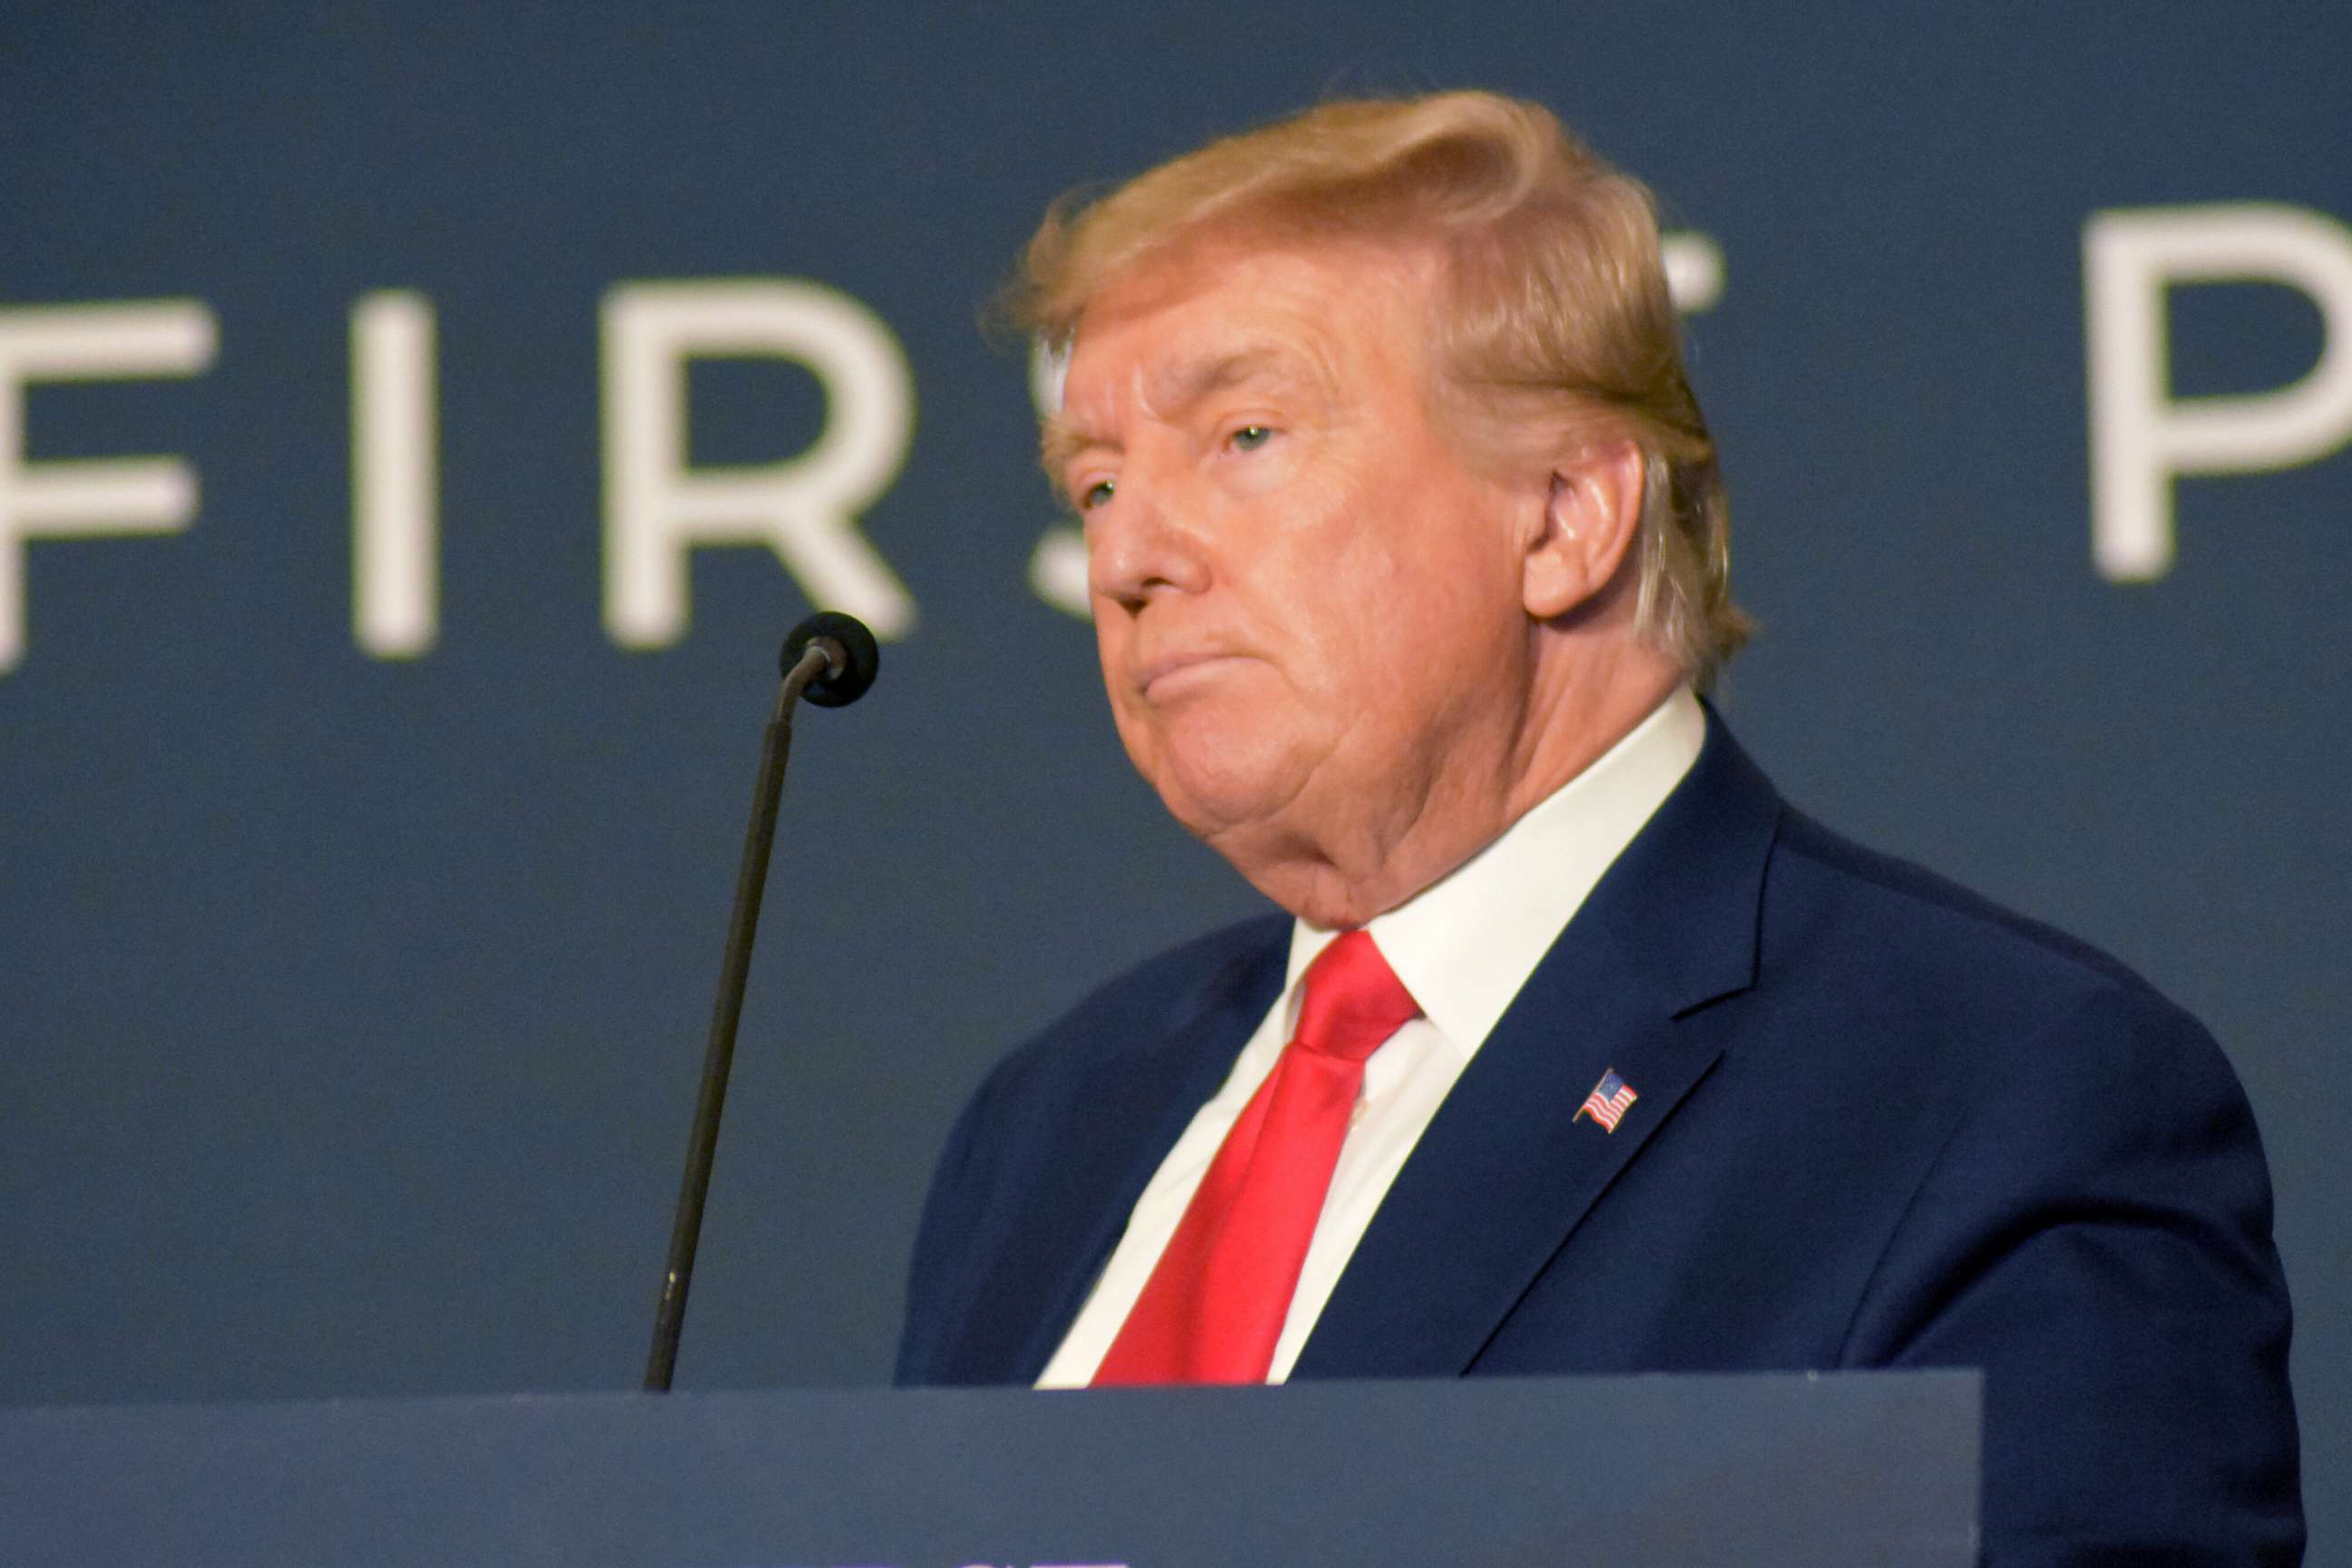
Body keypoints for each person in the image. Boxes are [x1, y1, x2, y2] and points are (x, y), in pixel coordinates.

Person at [894, 92, 2301, 1560]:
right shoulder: (1055, 1123)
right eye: (1096, 483)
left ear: (1566, 513)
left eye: (1244, 434)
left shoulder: (1992, 1090)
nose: (1123, 554)